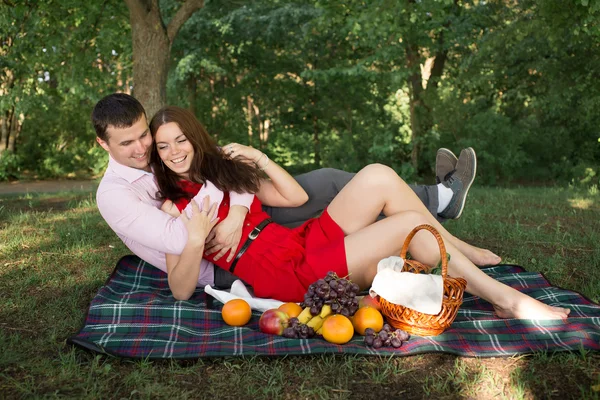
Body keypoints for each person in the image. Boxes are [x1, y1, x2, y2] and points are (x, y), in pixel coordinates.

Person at [149, 105, 569, 320]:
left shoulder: (224, 174)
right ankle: (506, 299)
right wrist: (193, 238)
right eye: (163, 146)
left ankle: (460, 248)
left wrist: (258, 156)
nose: (174, 153)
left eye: (180, 140)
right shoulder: (175, 207)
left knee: (377, 175)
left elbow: (293, 198)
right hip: (283, 272)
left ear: (196, 137)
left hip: (301, 240)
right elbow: (182, 289)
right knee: (404, 224)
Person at [92, 93, 496, 292]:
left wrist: (240, 196)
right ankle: (442, 207)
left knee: (335, 180)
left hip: (252, 228)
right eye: (128, 144)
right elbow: (184, 236)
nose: (142, 148)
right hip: (223, 260)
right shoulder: (117, 195)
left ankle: (449, 230)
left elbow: (235, 177)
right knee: (335, 186)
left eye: (143, 135)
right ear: (103, 145)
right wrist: (232, 205)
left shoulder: (176, 152)